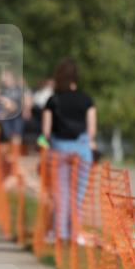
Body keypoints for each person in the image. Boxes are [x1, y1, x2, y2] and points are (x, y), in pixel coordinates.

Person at [41, 58, 97, 244]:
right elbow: (91, 131)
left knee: (61, 195)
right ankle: (76, 234)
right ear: (76, 78)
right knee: (78, 195)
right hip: (82, 149)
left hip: (59, 149)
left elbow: (46, 132)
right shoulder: (87, 99)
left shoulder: (53, 100)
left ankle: (60, 234)